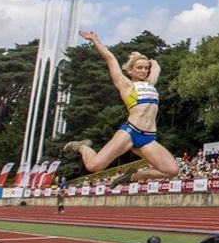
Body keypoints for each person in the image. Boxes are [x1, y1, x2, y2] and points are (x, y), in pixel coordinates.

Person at [63, 30, 180, 186]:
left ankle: (131, 176)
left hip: (148, 137)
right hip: (130, 132)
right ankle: (83, 147)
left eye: (146, 68)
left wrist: (151, 61)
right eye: (139, 68)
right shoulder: (126, 85)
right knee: (93, 166)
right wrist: (95, 40)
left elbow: (156, 67)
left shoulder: (150, 84)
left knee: (172, 170)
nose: (144, 71)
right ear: (130, 70)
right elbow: (110, 58)